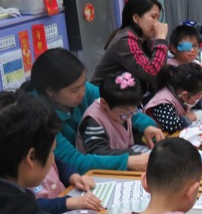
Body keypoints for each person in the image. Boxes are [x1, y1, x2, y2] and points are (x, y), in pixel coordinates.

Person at [27, 49, 162, 174]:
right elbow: (74, 161)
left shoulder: (83, 91)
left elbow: (117, 105)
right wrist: (126, 161)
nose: (82, 93)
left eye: (83, 84)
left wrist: (146, 125)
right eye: (75, 90)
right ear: (50, 91)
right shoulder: (39, 118)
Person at [92, 0, 168, 94]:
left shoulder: (144, 40)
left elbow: (158, 78)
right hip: (104, 99)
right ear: (136, 18)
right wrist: (161, 40)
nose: (156, 23)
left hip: (124, 98)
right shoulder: (125, 40)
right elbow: (152, 73)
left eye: (158, 18)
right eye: (153, 17)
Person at [76, 72, 150, 157]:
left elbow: (125, 136)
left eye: (132, 112)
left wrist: (144, 139)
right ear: (104, 103)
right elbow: (99, 153)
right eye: (123, 115)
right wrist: (133, 155)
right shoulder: (93, 121)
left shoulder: (122, 110)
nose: (128, 117)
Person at [144, 63, 202, 133]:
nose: (200, 97)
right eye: (198, 95)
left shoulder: (179, 92)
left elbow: (193, 101)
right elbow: (171, 125)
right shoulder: (163, 103)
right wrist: (187, 118)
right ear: (184, 95)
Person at [32, 158, 103, 214]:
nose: (52, 155)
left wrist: (75, 177)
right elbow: (28, 207)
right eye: (51, 151)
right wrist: (69, 202)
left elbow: (60, 166)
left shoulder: (47, 155)